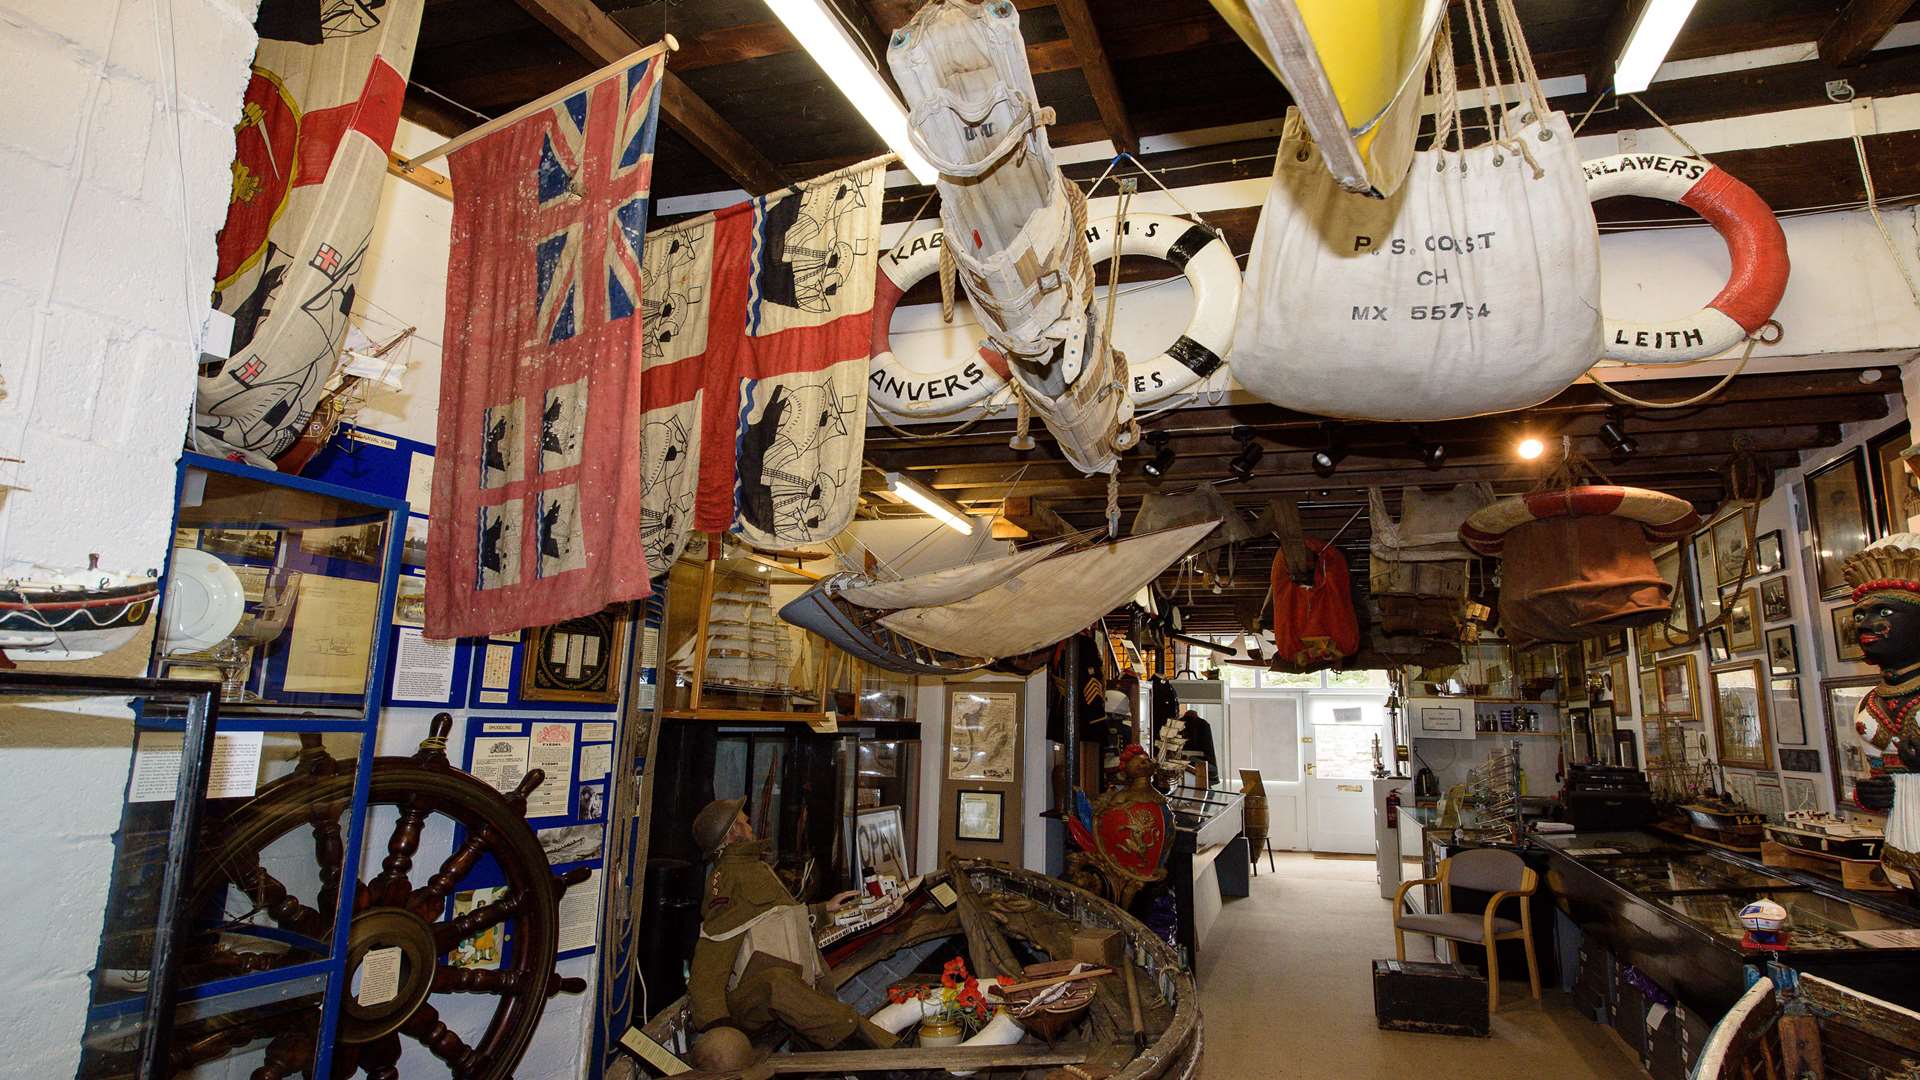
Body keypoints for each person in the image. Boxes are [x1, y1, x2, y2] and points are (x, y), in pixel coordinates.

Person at [687, 798, 898, 1060]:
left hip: (784, 989)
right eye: (744, 820)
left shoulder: (753, 867)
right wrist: (715, 1025)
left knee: (801, 991)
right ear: (732, 833)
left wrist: (822, 911)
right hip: (757, 1000)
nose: (750, 823)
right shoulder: (730, 877)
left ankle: (886, 1056)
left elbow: (773, 918)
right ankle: (895, 1060)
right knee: (780, 984)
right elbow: (711, 950)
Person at [1845, 535, 1920, 892]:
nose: (1865, 624)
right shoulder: (1869, 704)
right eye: (1861, 614)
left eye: (1884, 613)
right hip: (1900, 851)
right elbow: (1881, 776)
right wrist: (1872, 793)